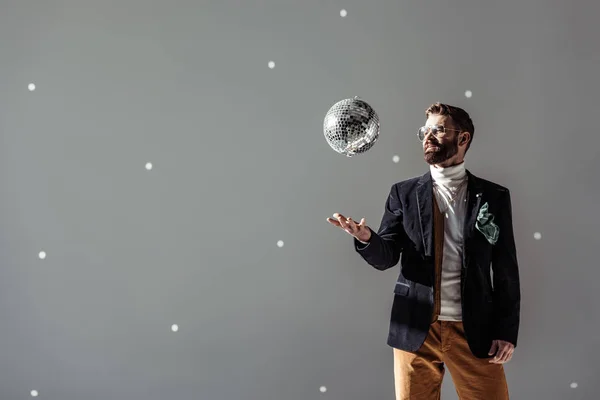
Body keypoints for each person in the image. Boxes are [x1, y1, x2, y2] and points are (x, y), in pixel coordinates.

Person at [327, 103, 520, 399]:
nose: (428, 136)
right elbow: (387, 256)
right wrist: (366, 238)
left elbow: (506, 269)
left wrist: (506, 331)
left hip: (474, 330)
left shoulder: (493, 197)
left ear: (463, 138)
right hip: (415, 328)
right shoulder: (402, 193)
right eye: (425, 130)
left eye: (439, 129)